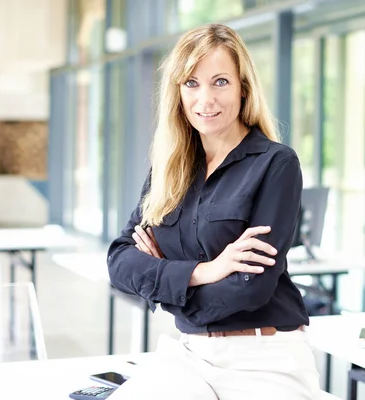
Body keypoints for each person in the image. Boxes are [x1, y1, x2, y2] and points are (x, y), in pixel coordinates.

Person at [107, 23, 320, 399]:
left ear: (243, 87)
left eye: (220, 81)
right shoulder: (169, 167)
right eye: (192, 83)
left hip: (264, 358)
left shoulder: (276, 164)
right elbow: (120, 261)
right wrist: (205, 271)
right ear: (178, 93)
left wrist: (165, 285)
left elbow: (251, 289)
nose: (205, 99)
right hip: (189, 354)